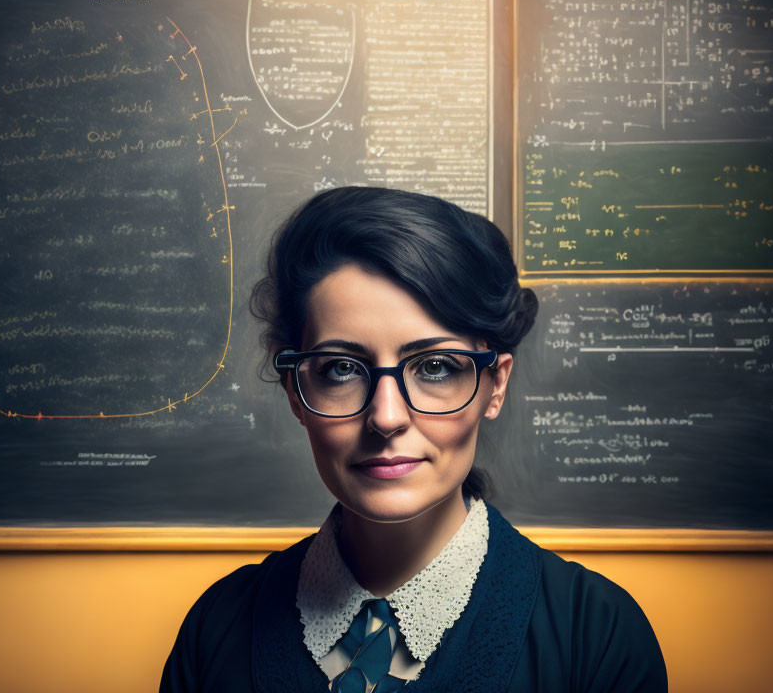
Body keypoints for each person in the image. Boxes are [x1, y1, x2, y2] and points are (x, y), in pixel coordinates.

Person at [160, 187, 667, 692]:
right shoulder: (216, 630)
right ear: (295, 392)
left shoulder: (597, 638)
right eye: (341, 368)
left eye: (435, 367)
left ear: (496, 385)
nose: (386, 417)